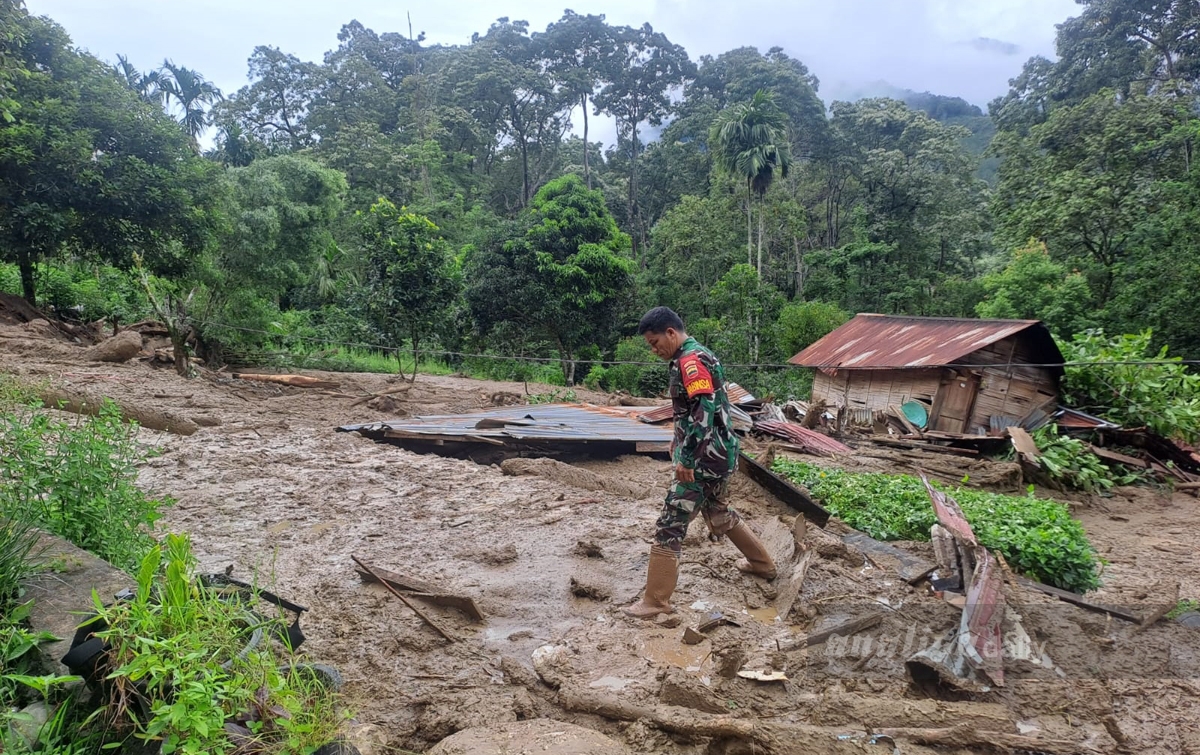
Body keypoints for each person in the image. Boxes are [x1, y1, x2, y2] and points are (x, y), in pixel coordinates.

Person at [623, 306, 776, 619]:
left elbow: (703, 412)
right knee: (717, 511)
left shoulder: (690, 361)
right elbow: (693, 412)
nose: (654, 350)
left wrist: (688, 456)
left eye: (655, 343)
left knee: (670, 523)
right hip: (719, 454)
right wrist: (678, 439)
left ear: (671, 332)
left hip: (704, 459)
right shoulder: (694, 355)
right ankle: (763, 565)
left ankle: (655, 601)